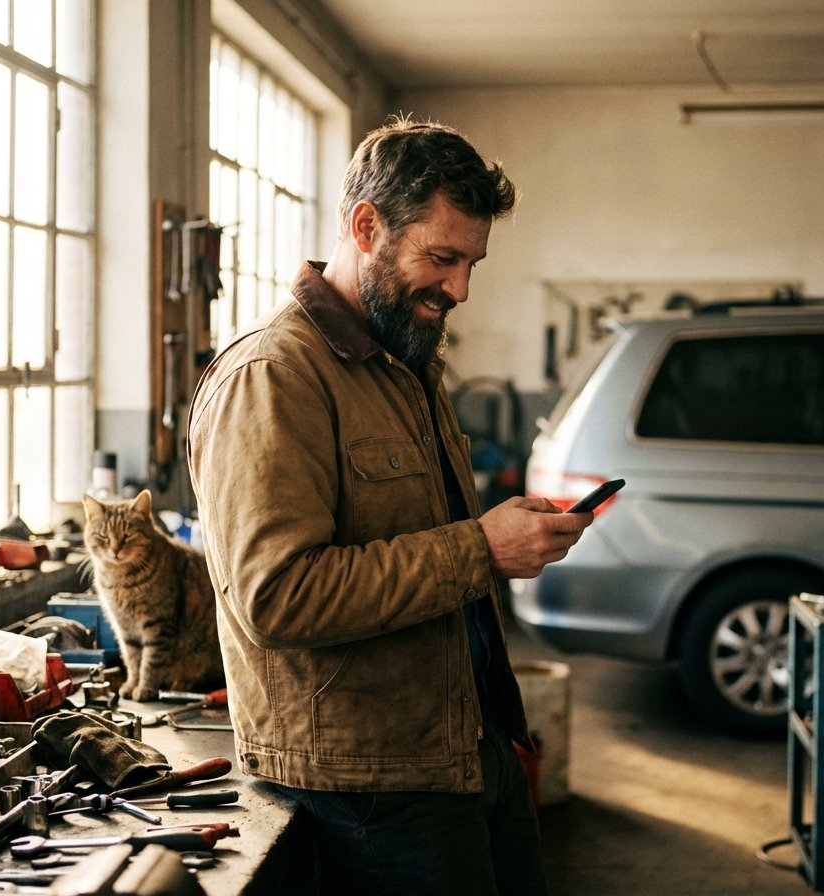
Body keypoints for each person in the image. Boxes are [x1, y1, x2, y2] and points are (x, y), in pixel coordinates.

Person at [187, 116, 592, 895]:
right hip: (371, 787)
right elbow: (277, 596)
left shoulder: (402, 356)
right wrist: (482, 549)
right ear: (365, 227)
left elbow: (415, 539)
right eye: (442, 258)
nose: (460, 289)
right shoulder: (274, 377)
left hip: (467, 743)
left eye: (471, 262)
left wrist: (503, 535)